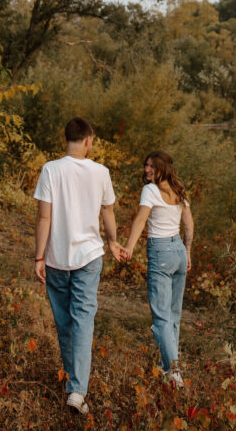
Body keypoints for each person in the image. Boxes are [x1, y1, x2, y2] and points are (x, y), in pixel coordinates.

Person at [33, 117, 122, 414]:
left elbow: (44, 217)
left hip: (57, 258)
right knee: (83, 319)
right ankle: (77, 390)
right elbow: (107, 210)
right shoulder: (100, 172)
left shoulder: (50, 170)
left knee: (65, 323)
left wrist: (39, 256)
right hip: (89, 257)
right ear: (87, 140)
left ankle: (75, 387)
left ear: (67, 140)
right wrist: (112, 241)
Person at [123, 149, 194, 387]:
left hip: (162, 252)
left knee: (162, 317)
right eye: (146, 166)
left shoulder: (150, 190)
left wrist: (130, 247)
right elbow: (189, 225)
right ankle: (168, 367)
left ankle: (174, 374)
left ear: (163, 168)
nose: (147, 170)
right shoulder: (179, 191)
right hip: (178, 252)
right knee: (173, 316)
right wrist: (188, 252)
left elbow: (141, 219)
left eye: (151, 166)